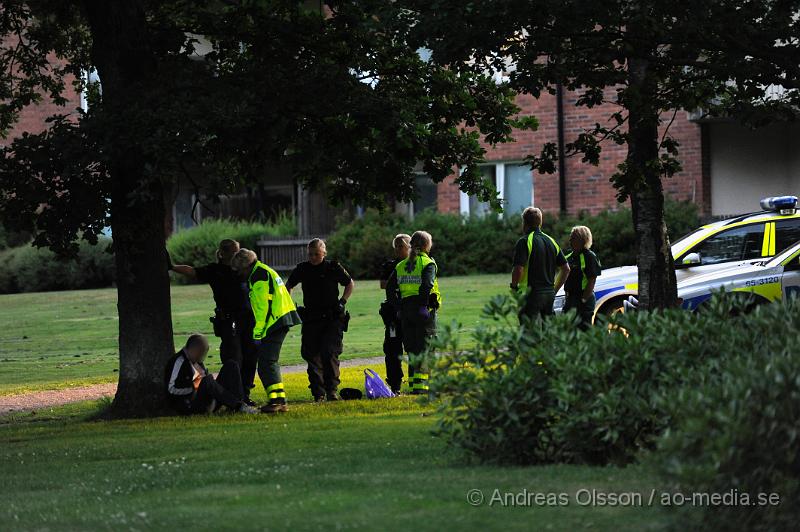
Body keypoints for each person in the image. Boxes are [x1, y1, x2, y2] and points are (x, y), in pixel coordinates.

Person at [170, 239, 257, 406]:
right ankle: (234, 396)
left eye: (238, 251)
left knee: (251, 355)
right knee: (235, 358)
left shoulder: (244, 270)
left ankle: (245, 394)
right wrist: (172, 267)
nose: (237, 255)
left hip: (248, 319)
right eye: (234, 252)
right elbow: (193, 271)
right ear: (223, 253)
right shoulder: (215, 270)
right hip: (229, 320)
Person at [231, 248, 302, 413]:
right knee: (268, 363)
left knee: (266, 363)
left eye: (238, 270)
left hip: (275, 321)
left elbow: (262, 308)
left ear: (245, 266)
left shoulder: (258, 276)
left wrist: (257, 334)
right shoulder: (262, 270)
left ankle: (277, 402)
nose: (237, 274)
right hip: (281, 318)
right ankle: (278, 400)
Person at [286, 238, 355, 402]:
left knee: (329, 353)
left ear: (324, 253)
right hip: (311, 318)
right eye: (310, 254)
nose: (313, 257)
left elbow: (349, 283)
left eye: (317, 254)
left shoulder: (333, 267)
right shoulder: (302, 269)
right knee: (312, 356)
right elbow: (288, 286)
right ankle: (318, 393)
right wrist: (291, 306)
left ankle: (331, 391)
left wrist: (342, 302)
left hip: (332, 318)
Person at [385, 231, 441, 395]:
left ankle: (414, 386)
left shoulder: (401, 265)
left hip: (405, 311)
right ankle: (422, 387)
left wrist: (398, 307)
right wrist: (424, 305)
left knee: (412, 348)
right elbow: (427, 285)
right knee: (426, 347)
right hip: (424, 311)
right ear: (425, 245)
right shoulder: (427, 263)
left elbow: (389, 289)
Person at [165, 333, 258, 415]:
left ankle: (239, 402)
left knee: (231, 365)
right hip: (190, 404)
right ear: (195, 349)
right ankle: (239, 406)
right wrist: (193, 387)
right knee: (207, 380)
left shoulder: (197, 361)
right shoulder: (179, 361)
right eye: (202, 352)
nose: (203, 356)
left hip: (208, 398)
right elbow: (171, 389)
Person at [510, 207, 570, 322]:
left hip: (531, 294)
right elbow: (566, 269)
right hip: (549, 294)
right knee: (548, 331)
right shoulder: (551, 241)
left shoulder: (524, 241)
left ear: (524, 222)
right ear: (540, 222)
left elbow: (518, 269)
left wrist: (514, 286)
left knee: (529, 333)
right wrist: (554, 289)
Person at [379, 234, 411, 394]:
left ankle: (417, 383)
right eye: (396, 246)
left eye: (401, 246)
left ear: (410, 247)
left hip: (410, 313)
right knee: (392, 350)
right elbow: (383, 284)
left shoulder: (415, 265)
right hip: (392, 315)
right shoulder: (390, 265)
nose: (398, 249)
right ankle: (395, 384)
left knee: (413, 347)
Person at [563, 226, 602, 329]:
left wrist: (584, 299)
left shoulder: (589, 256)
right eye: (570, 237)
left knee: (583, 330)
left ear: (582, 239)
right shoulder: (569, 257)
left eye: (574, 238)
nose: (570, 240)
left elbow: (592, 280)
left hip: (583, 299)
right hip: (570, 299)